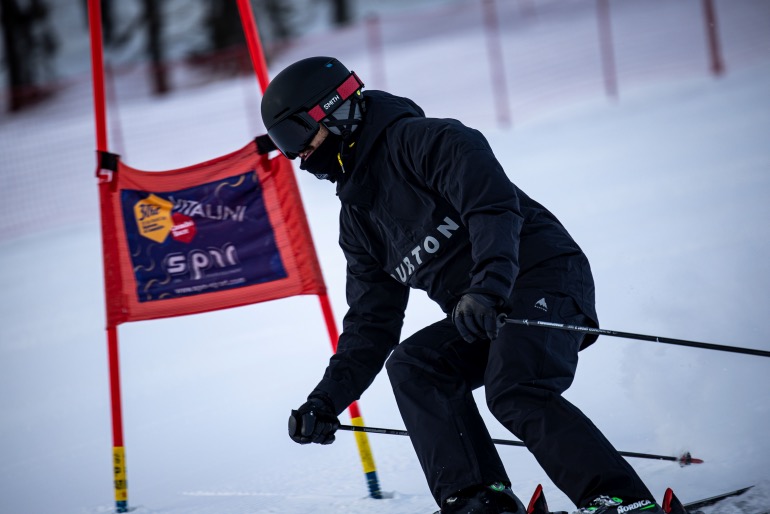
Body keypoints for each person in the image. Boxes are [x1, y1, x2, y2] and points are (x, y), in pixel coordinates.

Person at [261, 56, 669, 514]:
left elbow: (492, 208)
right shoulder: (359, 219)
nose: (296, 157)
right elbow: (371, 324)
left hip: (541, 276)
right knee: (416, 366)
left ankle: (620, 501)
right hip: (481, 310)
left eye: (294, 138)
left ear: (334, 111)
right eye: (282, 145)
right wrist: (326, 401)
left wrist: (489, 286)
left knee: (514, 388)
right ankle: (478, 499)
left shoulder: (429, 141)